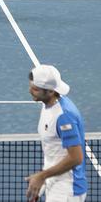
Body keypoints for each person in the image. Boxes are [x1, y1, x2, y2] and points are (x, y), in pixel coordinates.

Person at [26, 64, 87, 202]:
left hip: (67, 190)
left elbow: (76, 158)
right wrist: (43, 179)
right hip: (54, 181)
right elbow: (55, 151)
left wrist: (41, 176)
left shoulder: (64, 117)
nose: (30, 90)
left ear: (51, 91)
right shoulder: (47, 103)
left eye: (35, 89)